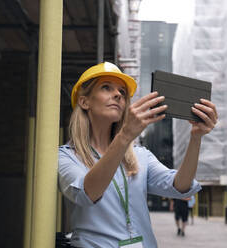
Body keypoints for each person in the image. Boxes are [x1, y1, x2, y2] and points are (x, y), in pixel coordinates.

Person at [58, 62, 218, 248]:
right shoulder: (66, 157)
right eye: (106, 87)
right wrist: (125, 136)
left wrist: (196, 138)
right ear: (85, 102)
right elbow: (88, 193)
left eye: (122, 92)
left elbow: (180, 186)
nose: (118, 94)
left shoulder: (139, 156)